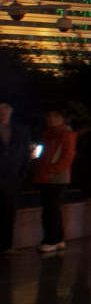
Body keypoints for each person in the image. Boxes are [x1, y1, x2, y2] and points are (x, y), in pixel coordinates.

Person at [31, 108, 77, 254]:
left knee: (50, 209)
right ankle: (57, 239)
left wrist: (51, 169)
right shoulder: (48, 134)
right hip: (46, 176)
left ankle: (50, 241)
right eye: (48, 115)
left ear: (63, 118)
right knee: (52, 209)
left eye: (55, 116)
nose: (50, 119)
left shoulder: (66, 134)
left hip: (57, 177)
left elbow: (67, 156)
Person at [0, 102, 33, 251]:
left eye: (6, 109)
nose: (3, 112)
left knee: (8, 212)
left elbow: (26, 154)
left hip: (12, 179)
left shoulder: (20, 131)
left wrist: (21, 174)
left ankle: (6, 245)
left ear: (11, 111)